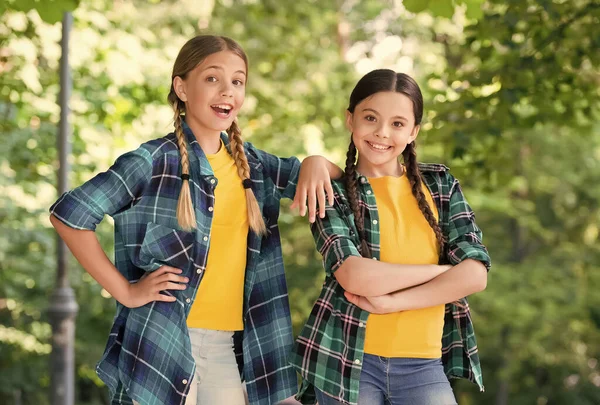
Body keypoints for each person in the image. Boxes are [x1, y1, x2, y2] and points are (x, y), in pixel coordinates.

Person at [49, 35, 341, 405]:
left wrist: (316, 160)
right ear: (181, 87)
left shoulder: (256, 167)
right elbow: (69, 215)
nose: (227, 91)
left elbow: (339, 178)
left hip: (227, 347)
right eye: (212, 78)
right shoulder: (152, 161)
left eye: (237, 81)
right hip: (162, 341)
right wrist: (126, 291)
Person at [290, 69, 491, 405]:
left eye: (397, 124)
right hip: (347, 363)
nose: (382, 133)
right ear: (350, 120)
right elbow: (356, 276)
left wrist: (392, 302)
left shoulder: (440, 185)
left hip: (424, 365)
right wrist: (444, 272)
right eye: (371, 118)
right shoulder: (333, 193)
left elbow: (476, 276)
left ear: (413, 131)